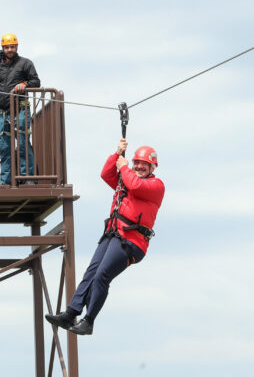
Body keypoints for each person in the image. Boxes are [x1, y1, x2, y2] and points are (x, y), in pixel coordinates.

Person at [45, 139, 165, 335]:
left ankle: (89, 321)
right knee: (91, 273)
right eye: (137, 163)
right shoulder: (127, 179)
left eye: (144, 164)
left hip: (131, 241)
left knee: (102, 275)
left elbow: (134, 186)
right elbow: (106, 174)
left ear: (152, 167)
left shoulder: (155, 186)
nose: (139, 167)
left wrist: (124, 167)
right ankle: (71, 313)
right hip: (114, 234)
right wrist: (117, 154)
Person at [0, 33, 40, 185]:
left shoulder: (25, 63)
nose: (9, 49)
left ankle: (27, 178)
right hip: (2, 113)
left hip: (20, 109)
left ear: (16, 47)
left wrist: (25, 85)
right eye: (6, 47)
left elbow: (36, 81)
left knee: (23, 144)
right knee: (4, 149)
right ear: (2, 48)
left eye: (12, 47)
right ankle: (6, 182)